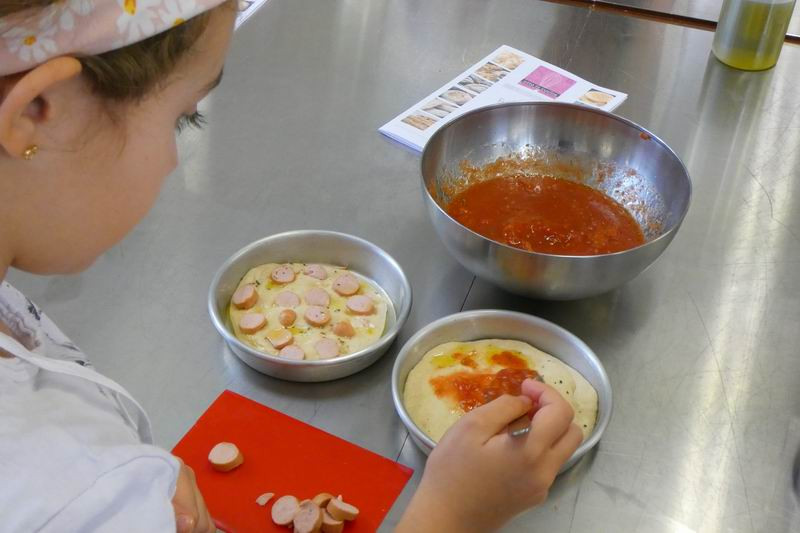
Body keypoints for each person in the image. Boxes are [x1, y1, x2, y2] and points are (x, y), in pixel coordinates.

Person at [0, 2, 582, 531]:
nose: (176, 161)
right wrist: (454, 513)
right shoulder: (73, 497)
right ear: (36, 113)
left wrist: (135, 477)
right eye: (183, 117)